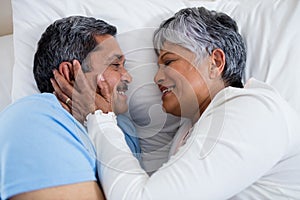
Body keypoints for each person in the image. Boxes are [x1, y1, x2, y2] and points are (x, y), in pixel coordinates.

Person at [52, 7, 300, 200]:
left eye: (169, 62)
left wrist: (98, 116)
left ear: (215, 62)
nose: (157, 77)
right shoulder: (189, 131)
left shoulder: (252, 111)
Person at [0, 16, 140, 200]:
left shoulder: (125, 130)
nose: (128, 77)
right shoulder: (36, 117)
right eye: (115, 65)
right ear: (71, 74)